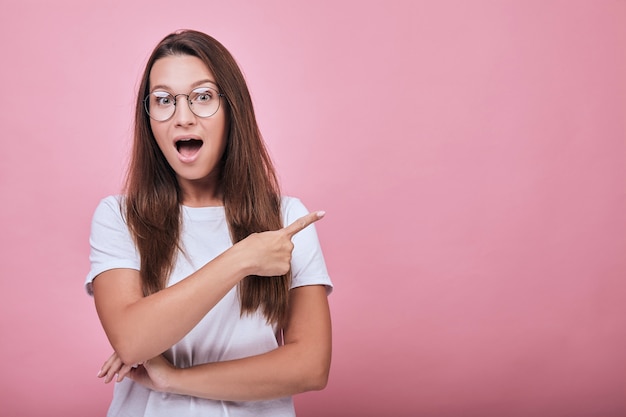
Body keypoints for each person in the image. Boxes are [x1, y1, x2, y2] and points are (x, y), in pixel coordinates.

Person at [84, 29, 332, 417]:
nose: (183, 118)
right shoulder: (119, 217)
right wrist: (243, 258)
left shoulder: (286, 218)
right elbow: (132, 341)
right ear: (148, 117)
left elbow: (310, 366)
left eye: (202, 97)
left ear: (232, 108)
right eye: (163, 100)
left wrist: (174, 379)